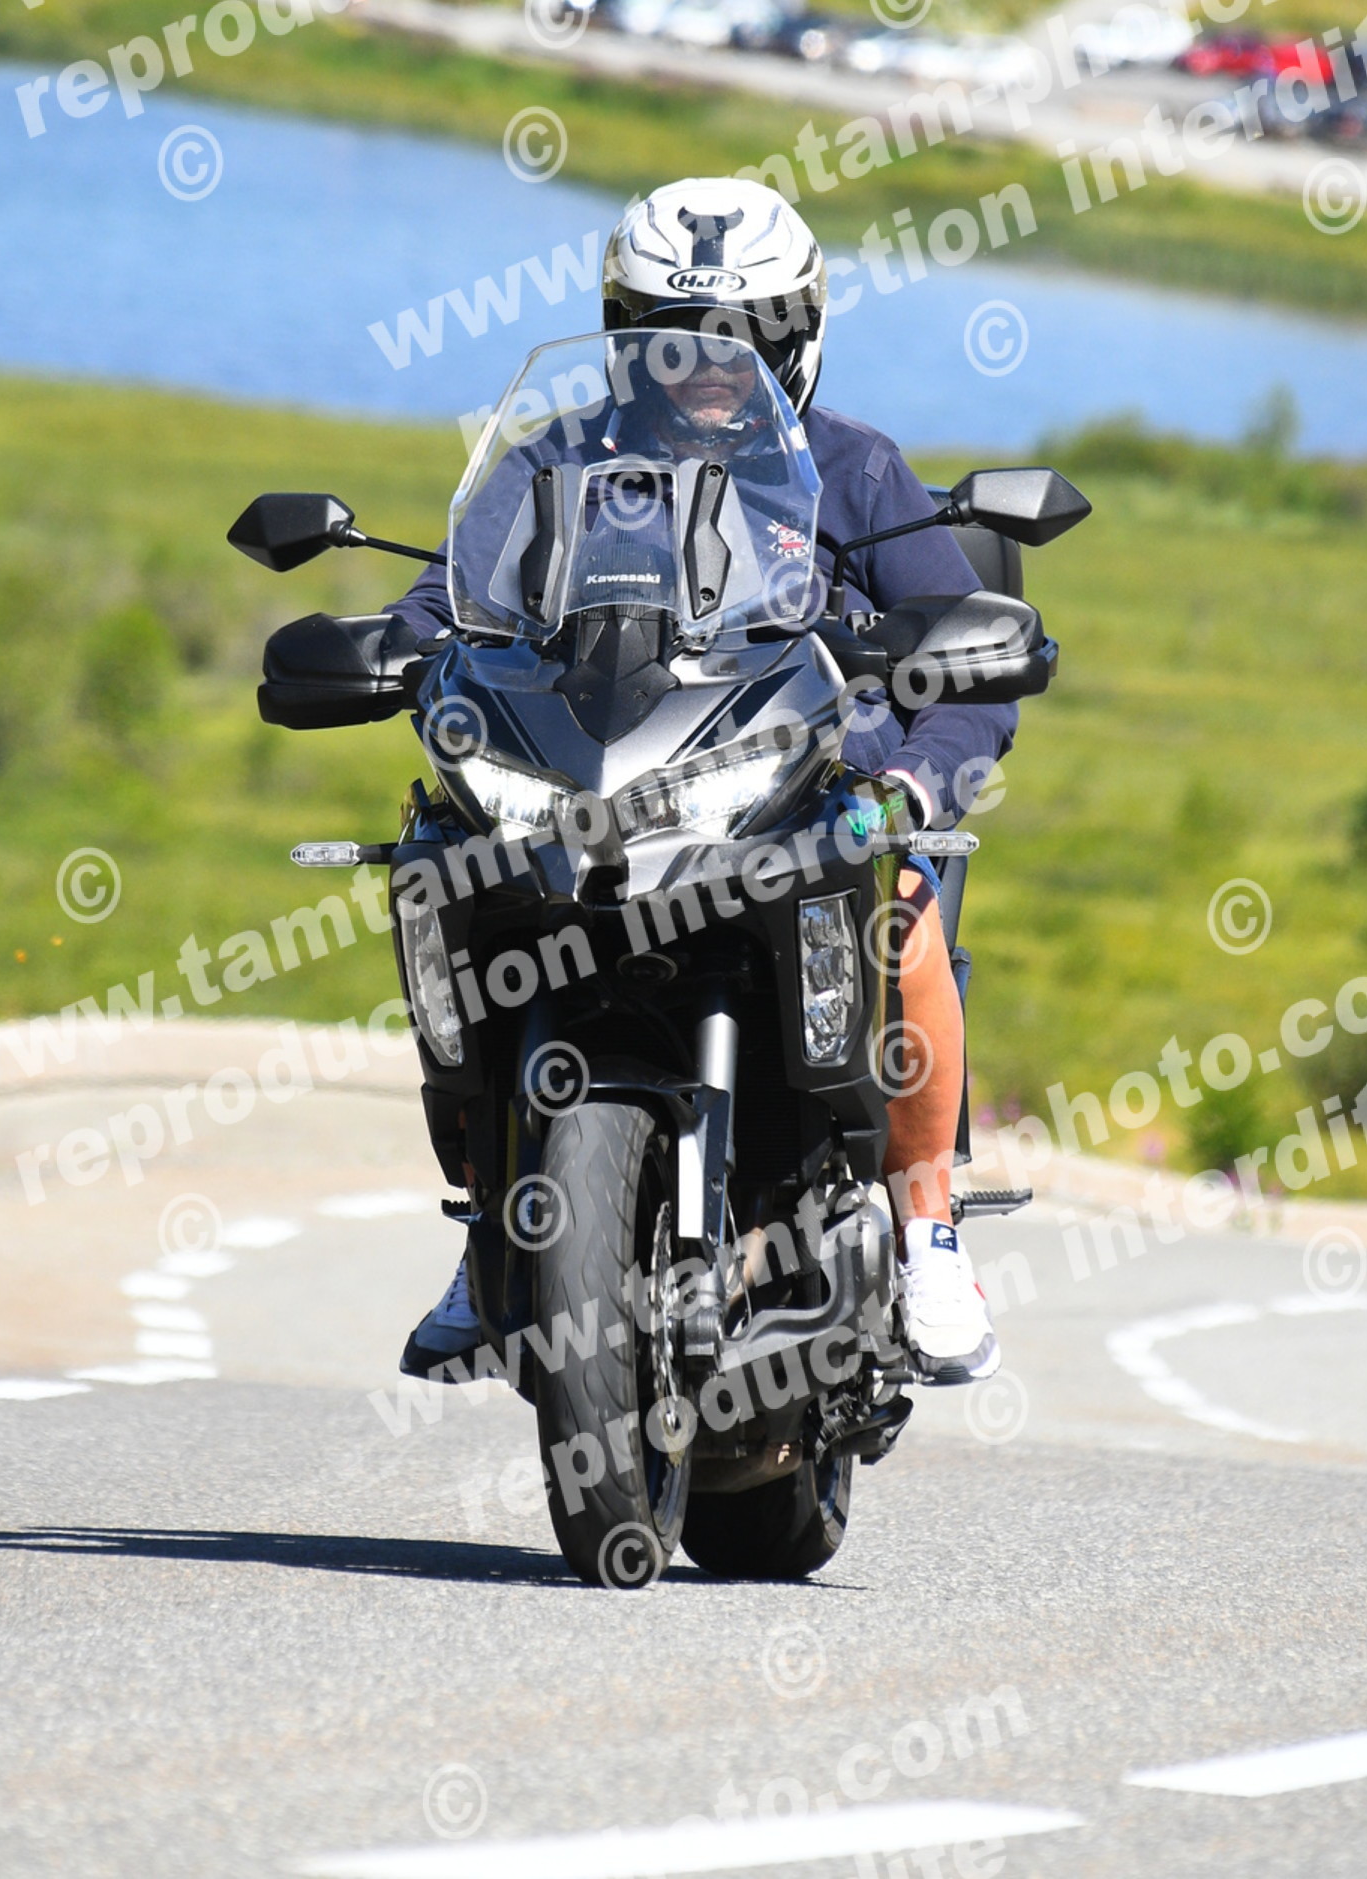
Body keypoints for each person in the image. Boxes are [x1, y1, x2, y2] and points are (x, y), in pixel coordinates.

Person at [395, 178, 1016, 1383]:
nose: (714, 366)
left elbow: (969, 655)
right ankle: (487, 1225)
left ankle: (927, 1232)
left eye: (747, 336)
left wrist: (916, 777)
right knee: (442, 875)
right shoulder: (555, 458)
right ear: (626, 337)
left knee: (902, 909)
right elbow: (443, 605)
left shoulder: (858, 470)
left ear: (796, 335)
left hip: (803, 795)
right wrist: (387, 648)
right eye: (678, 339)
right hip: (590, 792)